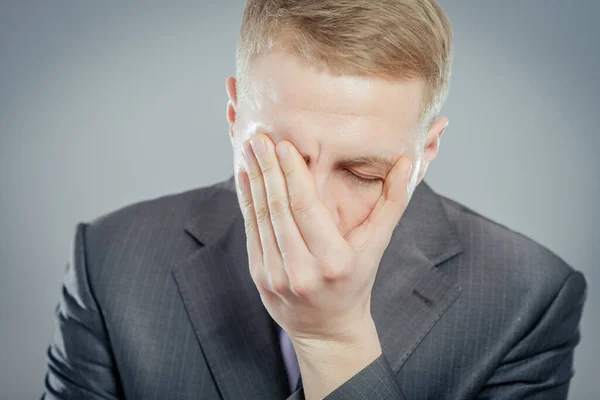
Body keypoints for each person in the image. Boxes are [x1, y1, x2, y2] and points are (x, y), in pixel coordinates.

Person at [42, 1, 588, 399]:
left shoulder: (528, 296)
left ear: (426, 150)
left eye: (361, 171)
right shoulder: (110, 260)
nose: (314, 208)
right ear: (235, 120)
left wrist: (334, 341)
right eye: (280, 157)